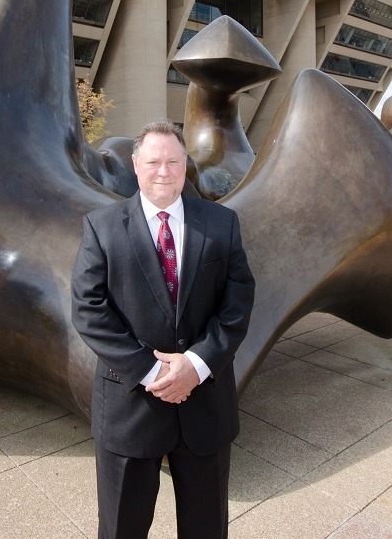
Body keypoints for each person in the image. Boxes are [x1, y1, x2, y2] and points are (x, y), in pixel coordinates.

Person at [72, 119, 255, 539]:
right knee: (123, 528)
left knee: (206, 529)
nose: (163, 171)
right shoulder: (101, 227)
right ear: (136, 165)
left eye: (173, 161)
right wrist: (152, 372)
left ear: (185, 165)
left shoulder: (222, 223)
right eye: (154, 161)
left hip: (204, 405)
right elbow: (88, 309)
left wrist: (197, 362)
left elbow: (238, 300)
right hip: (130, 406)